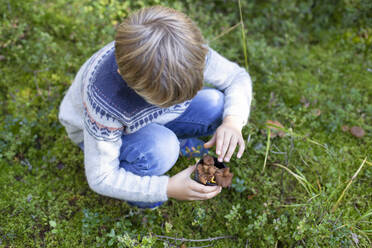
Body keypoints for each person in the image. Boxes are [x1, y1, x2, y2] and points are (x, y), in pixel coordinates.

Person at [58, 6, 252, 208]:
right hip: (97, 135)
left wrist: (232, 122)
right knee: (163, 148)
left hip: (148, 118)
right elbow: (101, 177)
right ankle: (145, 189)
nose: (178, 105)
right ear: (128, 81)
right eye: (167, 101)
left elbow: (237, 77)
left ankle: (180, 144)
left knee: (217, 104)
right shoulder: (106, 102)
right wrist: (166, 188)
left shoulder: (188, 52)